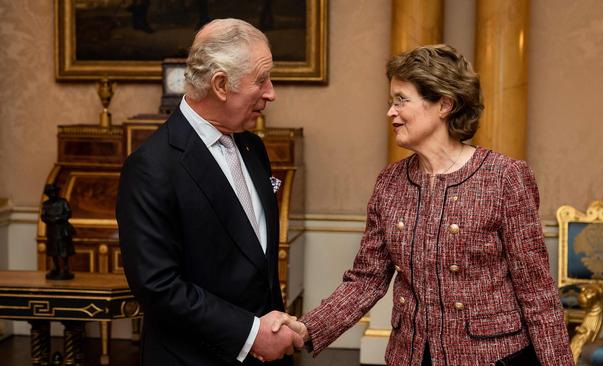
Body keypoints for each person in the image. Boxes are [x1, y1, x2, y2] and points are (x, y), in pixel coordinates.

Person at [286, 45, 574, 365]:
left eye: (401, 100)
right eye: (391, 101)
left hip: (492, 358)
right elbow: (367, 279)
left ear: (444, 104)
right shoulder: (390, 182)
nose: (390, 112)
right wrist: (305, 328)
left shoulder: (505, 177)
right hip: (410, 356)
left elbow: (537, 293)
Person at [116, 18, 302, 366]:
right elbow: (158, 287)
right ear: (220, 85)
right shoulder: (151, 166)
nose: (271, 92)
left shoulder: (253, 147)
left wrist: (272, 332)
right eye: (261, 80)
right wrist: (251, 334)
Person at [41, 184, 76, 280]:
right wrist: (50, 220)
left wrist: (58, 218)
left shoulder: (63, 202)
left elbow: (68, 213)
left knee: (63, 250)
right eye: (50, 192)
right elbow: (43, 216)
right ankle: (56, 267)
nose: (53, 194)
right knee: (53, 251)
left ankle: (65, 267)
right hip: (52, 231)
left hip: (61, 230)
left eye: (54, 192)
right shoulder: (46, 204)